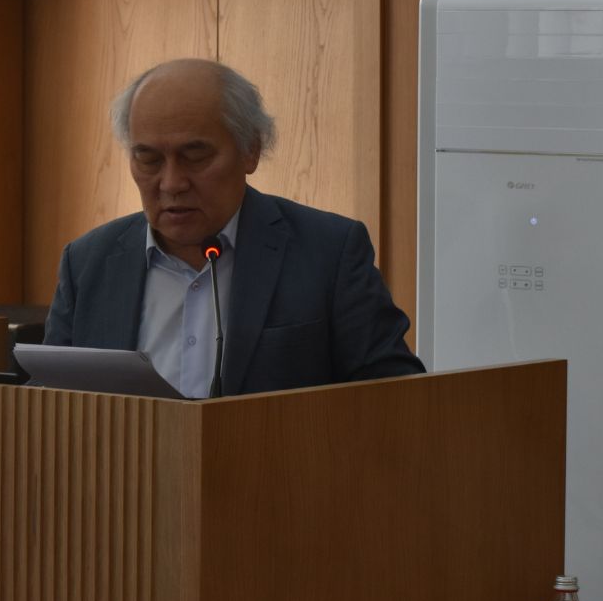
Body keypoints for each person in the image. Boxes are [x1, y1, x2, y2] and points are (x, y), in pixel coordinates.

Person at [43, 57, 421, 397]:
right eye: (149, 160)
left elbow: (395, 400)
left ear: (250, 150)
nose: (172, 183)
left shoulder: (328, 253)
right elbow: (46, 405)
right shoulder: (87, 263)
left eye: (195, 157)